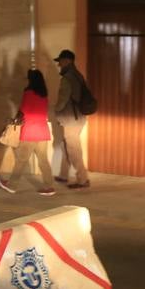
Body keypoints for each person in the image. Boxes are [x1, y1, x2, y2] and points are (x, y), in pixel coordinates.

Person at [0, 69, 57, 196]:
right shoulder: (44, 94)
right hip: (42, 131)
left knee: (21, 160)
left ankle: (12, 186)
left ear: (32, 80)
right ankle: (49, 187)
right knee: (43, 160)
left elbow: (23, 110)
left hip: (29, 131)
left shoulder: (28, 92)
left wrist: (15, 117)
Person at [52, 49, 92, 188]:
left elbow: (62, 100)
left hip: (71, 119)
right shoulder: (78, 75)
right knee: (66, 145)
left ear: (67, 61)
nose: (59, 65)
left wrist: (55, 111)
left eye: (61, 61)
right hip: (78, 117)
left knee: (73, 149)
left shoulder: (67, 78)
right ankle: (64, 175)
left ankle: (82, 179)